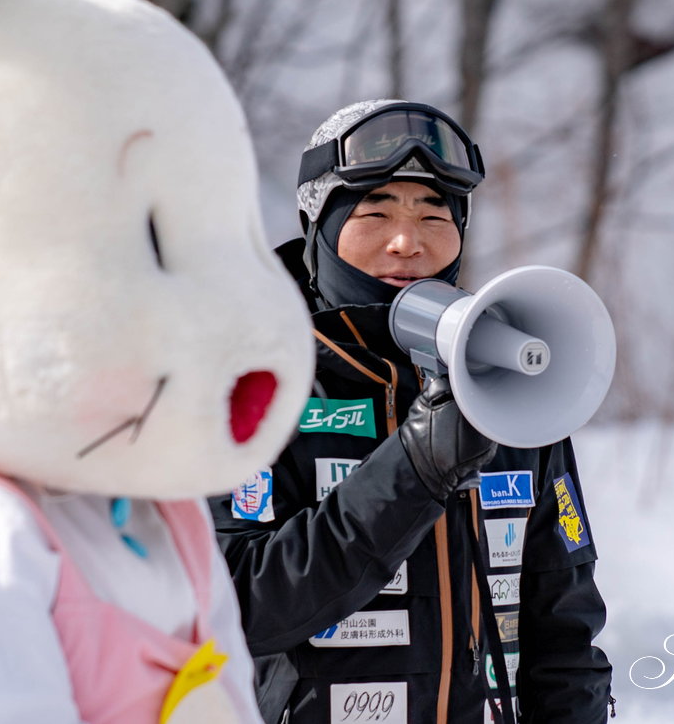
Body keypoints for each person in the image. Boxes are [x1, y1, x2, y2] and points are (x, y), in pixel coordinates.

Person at [211, 100, 612, 723]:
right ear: (317, 223)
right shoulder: (251, 381)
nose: (408, 241)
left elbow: (564, 634)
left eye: (434, 213)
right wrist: (413, 470)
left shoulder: (508, 386)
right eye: (375, 212)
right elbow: (239, 609)